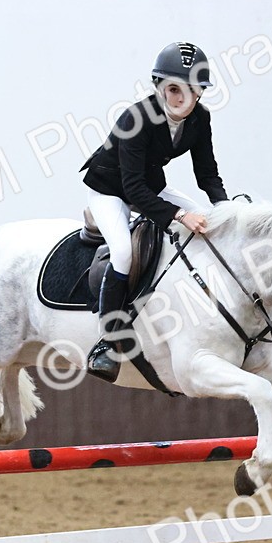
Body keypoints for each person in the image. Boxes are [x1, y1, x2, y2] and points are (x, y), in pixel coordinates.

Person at [80, 41, 230, 383]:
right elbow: (131, 190)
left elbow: (207, 174)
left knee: (214, 226)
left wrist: (226, 209)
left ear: (200, 94)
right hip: (110, 189)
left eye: (189, 91)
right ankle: (108, 342)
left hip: (151, 185)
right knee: (122, 253)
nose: (180, 99)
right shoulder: (136, 117)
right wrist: (179, 215)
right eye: (173, 89)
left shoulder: (200, 120)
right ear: (160, 87)